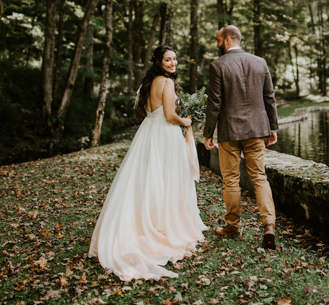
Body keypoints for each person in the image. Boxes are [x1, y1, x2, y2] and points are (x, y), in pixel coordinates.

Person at [88, 45, 207, 281]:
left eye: (175, 59)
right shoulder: (168, 83)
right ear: (159, 62)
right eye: (168, 60)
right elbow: (169, 116)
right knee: (167, 180)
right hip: (164, 134)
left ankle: (147, 221)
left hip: (148, 132)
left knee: (147, 180)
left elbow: (155, 111)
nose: (173, 63)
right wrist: (186, 121)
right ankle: (163, 226)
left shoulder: (149, 83)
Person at [203, 25, 279, 250]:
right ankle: (269, 226)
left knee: (231, 180)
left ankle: (233, 226)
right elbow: (269, 97)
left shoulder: (218, 65)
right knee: (259, 177)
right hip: (256, 129)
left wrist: (208, 133)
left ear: (227, 40)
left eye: (218, 40)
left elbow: (214, 103)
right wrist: (272, 126)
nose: (217, 44)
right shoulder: (260, 62)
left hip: (229, 131)